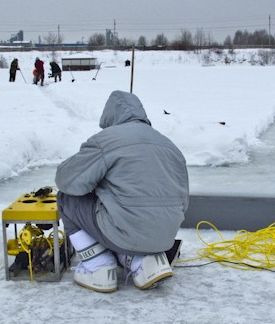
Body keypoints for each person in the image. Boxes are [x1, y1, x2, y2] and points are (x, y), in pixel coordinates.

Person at [56, 91, 189, 293]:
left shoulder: (106, 140)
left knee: (67, 198)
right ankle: (142, 260)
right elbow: (183, 200)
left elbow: (68, 181)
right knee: (123, 209)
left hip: (123, 232)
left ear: (109, 116)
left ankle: (98, 266)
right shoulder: (169, 145)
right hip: (165, 236)